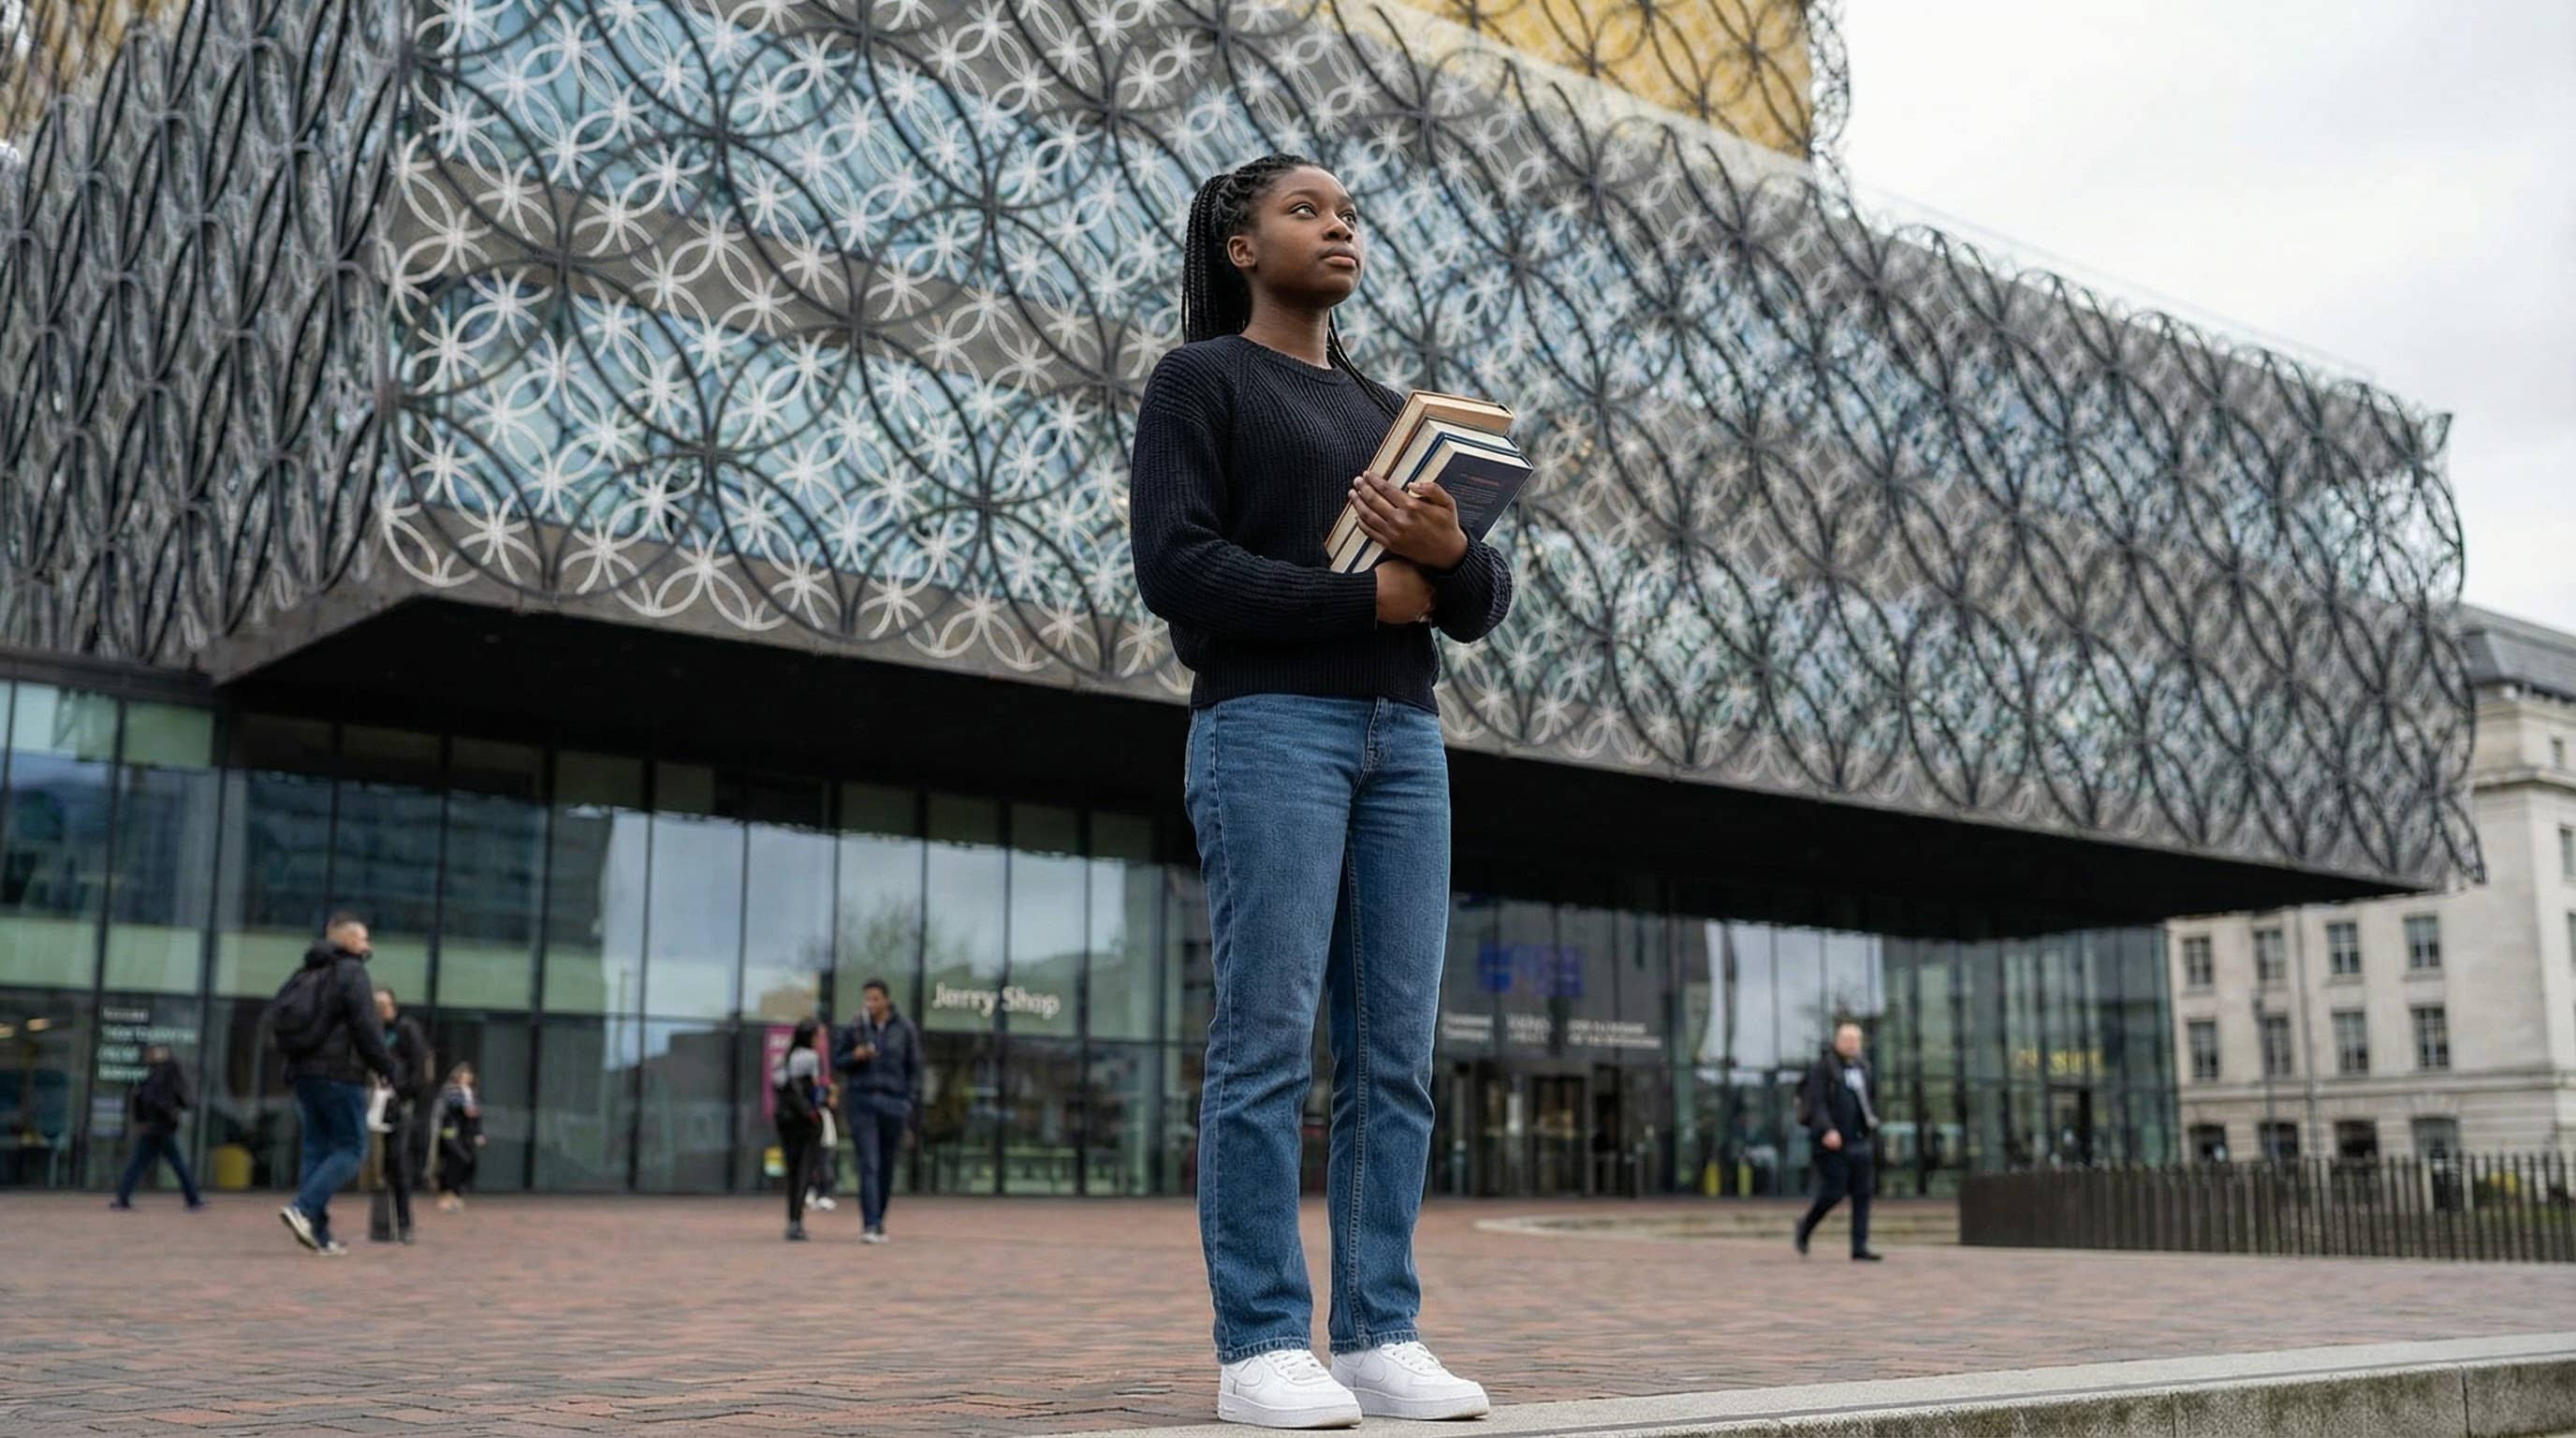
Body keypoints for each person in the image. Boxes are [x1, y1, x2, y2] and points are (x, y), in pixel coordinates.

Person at [1128, 153, 1515, 1428]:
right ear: (1242, 245)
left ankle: (1379, 1334)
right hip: (1267, 731)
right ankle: (1257, 1347)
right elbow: (1179, 569)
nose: (1339, 225)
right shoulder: (1202, 381)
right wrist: (1368, 594)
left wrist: (1449, 551)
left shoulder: (1394, 412)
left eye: (1349, 212)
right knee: (1265, 1040)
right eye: (1308, 210)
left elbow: (1479, 602)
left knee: (1394, 1053)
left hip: (1404, 739)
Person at [273, 913, 399, 1256]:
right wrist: (387, 1067)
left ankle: (319, 1232)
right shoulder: (352, 972)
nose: (368, 946)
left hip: (303, 1075)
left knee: (316, 1149)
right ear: (346, 940)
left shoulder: (305, 974)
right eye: (363, 939)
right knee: (352, 1148)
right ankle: (302, 1208)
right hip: (340, 1074)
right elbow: (366, 1027)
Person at [834, 978, 919, 1245]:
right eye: (866, 999)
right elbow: (838, 1061)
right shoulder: (855, 1027)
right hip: (863, 1102)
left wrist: (908, 1102)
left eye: (874, 999)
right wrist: (855, 1056)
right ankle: (870, 1224)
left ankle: (879, 1219)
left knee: (885, 1167)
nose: (869, 1004)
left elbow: (914, 1068)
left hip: (893, 1104)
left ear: (886, 1000)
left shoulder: (904, 1029)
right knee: (868, 1163)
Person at [1794, 1021, 1885, 1262]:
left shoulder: (1864, 1067)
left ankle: (1859, 1246)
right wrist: (1827, 1129)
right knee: (1834, 1192)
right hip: (1832, 1141)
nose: (1851, 1044)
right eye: (1846, 1039)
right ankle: (1805, 1226)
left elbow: (1871, 1099)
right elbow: (1817, 1102)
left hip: (1860, 1139)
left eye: (1855, 1040)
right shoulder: (1823, 1068)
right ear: (1837, 1041)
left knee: (1863, 1194)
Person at [110, 1044, 204, 1211]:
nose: (148, 1056)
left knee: (142, 1163)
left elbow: (151, 1099)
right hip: (161, 1127)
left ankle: (123, 1198)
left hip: (157, 1127)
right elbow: (178, 1098)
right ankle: (193, 1200)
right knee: (172, 1163)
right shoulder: (164, 1074)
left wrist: (151, 1117)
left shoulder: (161, 1074)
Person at [374, 987, 432, 1243]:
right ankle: (384, 1224)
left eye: (384, 1004)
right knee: (384, 1164)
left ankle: (404, 1223)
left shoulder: (406, 1029)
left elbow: (419, 1066)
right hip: (377, 1101)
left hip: (399, 1102)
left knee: (398, 1161)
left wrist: (405, 1093)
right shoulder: (372, 1031)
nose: (381, 1010)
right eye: (376, 1006)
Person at [773, 1018, 827, 1241]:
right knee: (805, 1170)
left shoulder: (784, 1059)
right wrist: (814, 1111)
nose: (820, 1040)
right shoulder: (812, 1058)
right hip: (806, 1121)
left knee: (792, 1172)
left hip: (786, 1121)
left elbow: (778, 1085)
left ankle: (791, 1220)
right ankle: (797, 1221)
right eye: (817, 1036)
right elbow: (816, 1090)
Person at [432, 1062, 484, 1211]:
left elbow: (476, 1116)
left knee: (468, 1161)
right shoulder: (450, 1090)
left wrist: (478, 1133)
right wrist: (463, 1107)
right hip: (451, 1131)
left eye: (469, 1075)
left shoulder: (472, 1093)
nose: (467, 1077)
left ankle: (455, 1193)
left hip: (466, 1133)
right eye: (464, 1074)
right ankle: (446, 1193)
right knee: (455, 1160)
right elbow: (447, 1107)